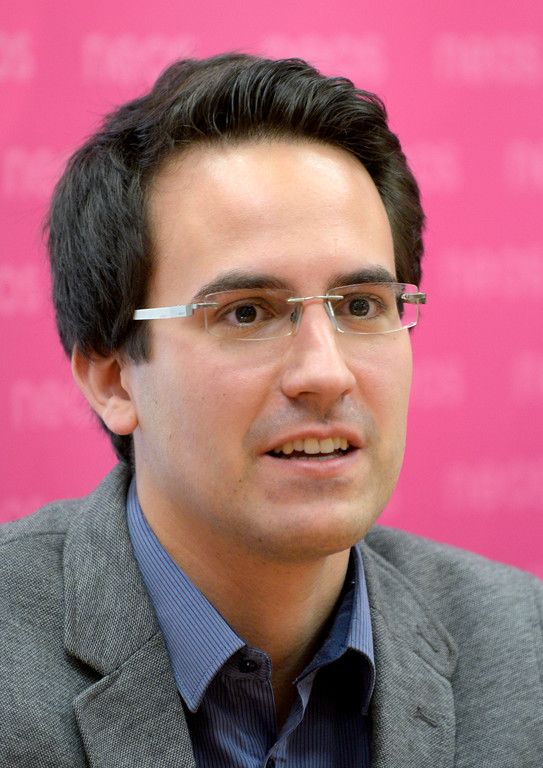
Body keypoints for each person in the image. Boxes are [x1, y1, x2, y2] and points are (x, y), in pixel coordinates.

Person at [0, 53, 541, 768]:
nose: (325, 373)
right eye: (248, 312)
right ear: (113, 379)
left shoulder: (524, 648)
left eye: (360, 306)